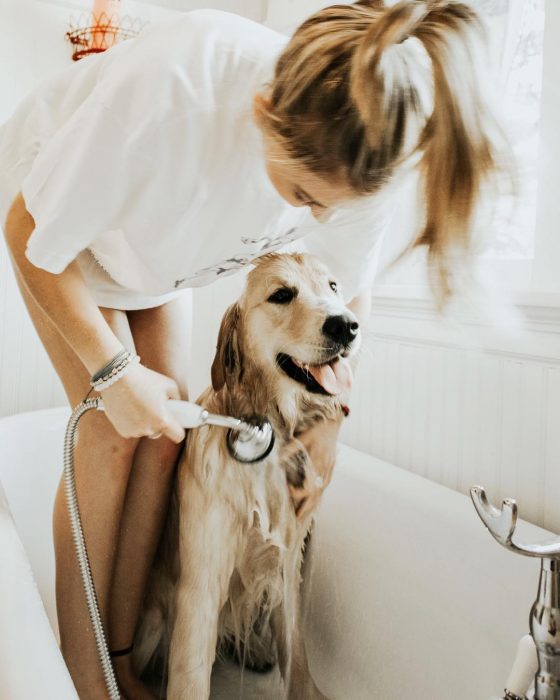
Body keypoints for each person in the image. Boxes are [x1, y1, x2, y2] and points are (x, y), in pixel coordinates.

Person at [0, 1, 502, 697]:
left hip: (163, 250)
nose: (320, 219)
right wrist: (112, 371)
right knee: (113, 436)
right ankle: (85, 675)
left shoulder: (359, 150)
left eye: (332, 207)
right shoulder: (175, 88)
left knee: (167, 434)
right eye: (304, 196)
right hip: (60, 222)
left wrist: (331, 423)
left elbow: (348, 292)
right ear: (263, 111)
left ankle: (119, 655)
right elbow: (28, 232)